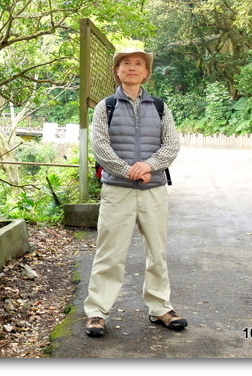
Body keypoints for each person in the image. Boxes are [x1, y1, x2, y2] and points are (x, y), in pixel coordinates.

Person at [83, 47, 186, 337]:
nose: (132, 67)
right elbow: (101, 147)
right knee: (109, 253)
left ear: (146, 73)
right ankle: (97, 313)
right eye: (126, 63)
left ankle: (160, 308)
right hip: (118, 190)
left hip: (153, 190)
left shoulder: (161, 107)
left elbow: (171, 145)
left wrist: (149, 165)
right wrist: (128, 170)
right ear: (117, 71)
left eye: (138, 64)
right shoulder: (106, 106)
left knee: (157, 251)